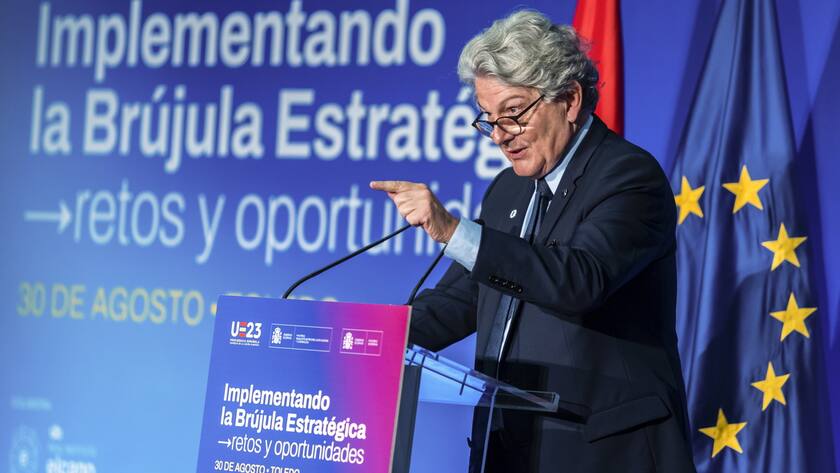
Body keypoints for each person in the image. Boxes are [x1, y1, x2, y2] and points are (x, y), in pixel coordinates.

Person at [371, 10, 695, 473]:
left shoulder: (628, 178)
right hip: (511, 451)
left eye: (513, 113)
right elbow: (460, 301)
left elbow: (579, 280)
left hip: (604, 454)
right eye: (488, 119)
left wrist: (451, 230)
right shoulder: (509, 188)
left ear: (569, 99)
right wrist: (366, 339)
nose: (500, 135)